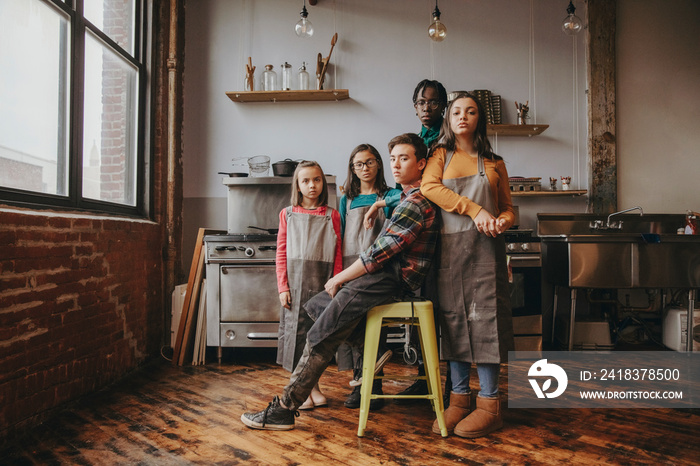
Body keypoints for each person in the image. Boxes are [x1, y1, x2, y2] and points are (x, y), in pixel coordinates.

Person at [241, 133, 439, 431]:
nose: (396, 164)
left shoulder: (415, 203)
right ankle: (370, 348)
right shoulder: (404, 198)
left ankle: (284, 408)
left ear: (422, 163)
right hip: (380, 276)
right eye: (394, 158)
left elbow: (378, 254)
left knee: (320, 334)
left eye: (405, 158)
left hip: (388, 278)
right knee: (315, 306)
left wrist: (339, 277)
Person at [420, 91, 515, 438]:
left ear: (480, 119)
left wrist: (502, 220)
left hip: (487, 251)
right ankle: (459, 400)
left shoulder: (495, 162)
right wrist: (474, 209)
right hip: (451, 253)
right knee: (455, 322)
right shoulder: (440, 156)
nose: (463, 116)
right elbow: (429, 187)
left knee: (487, 325)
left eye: (470, 111)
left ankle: (490, 405)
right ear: (448, 118)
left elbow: (508, 207)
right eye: (456, 111)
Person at [335, 144, 401, 410]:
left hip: (378, 273)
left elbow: (406, 198)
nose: (364, 168)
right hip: (352, 271)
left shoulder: (390, 194)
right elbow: (339, 237)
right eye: (358, 164)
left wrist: (379, 204)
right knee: (353, 327)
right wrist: (338, 275)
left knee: (377, 328)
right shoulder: (346, 200)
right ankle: (360, 385)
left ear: (379, 164)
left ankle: (376, 387)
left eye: (370, 162)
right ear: (352, 168)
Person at [275, 160, 343, 411]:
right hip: (294, 284)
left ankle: (314, 386)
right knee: (297, 334)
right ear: (298, 185)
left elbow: (338, 251)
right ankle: (300, 388)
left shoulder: (332, 215)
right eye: (305, 181)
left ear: (323, 182)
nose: (312, 185)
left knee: (318, 336)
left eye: (316, 179)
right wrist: (283, 287)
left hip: (323, 284)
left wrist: (336, 282)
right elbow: (281, 252)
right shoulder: (287, 214)